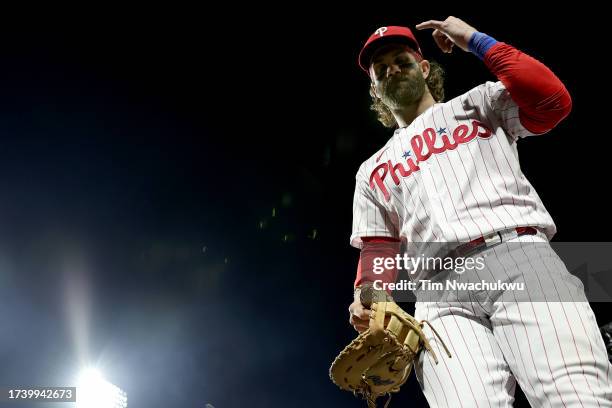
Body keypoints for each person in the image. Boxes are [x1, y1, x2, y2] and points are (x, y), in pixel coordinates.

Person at [348, 16, 612, 406]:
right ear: (374, 88)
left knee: (574, 396)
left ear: (424, 68)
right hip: (437, 295)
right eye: (380, 69)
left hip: (517, 258)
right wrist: (369, 296)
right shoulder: (372, 169)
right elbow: (377, 248)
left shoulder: (478, 104)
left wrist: (475, 40)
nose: (391, 70)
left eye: (400, 61)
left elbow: (552, 100)